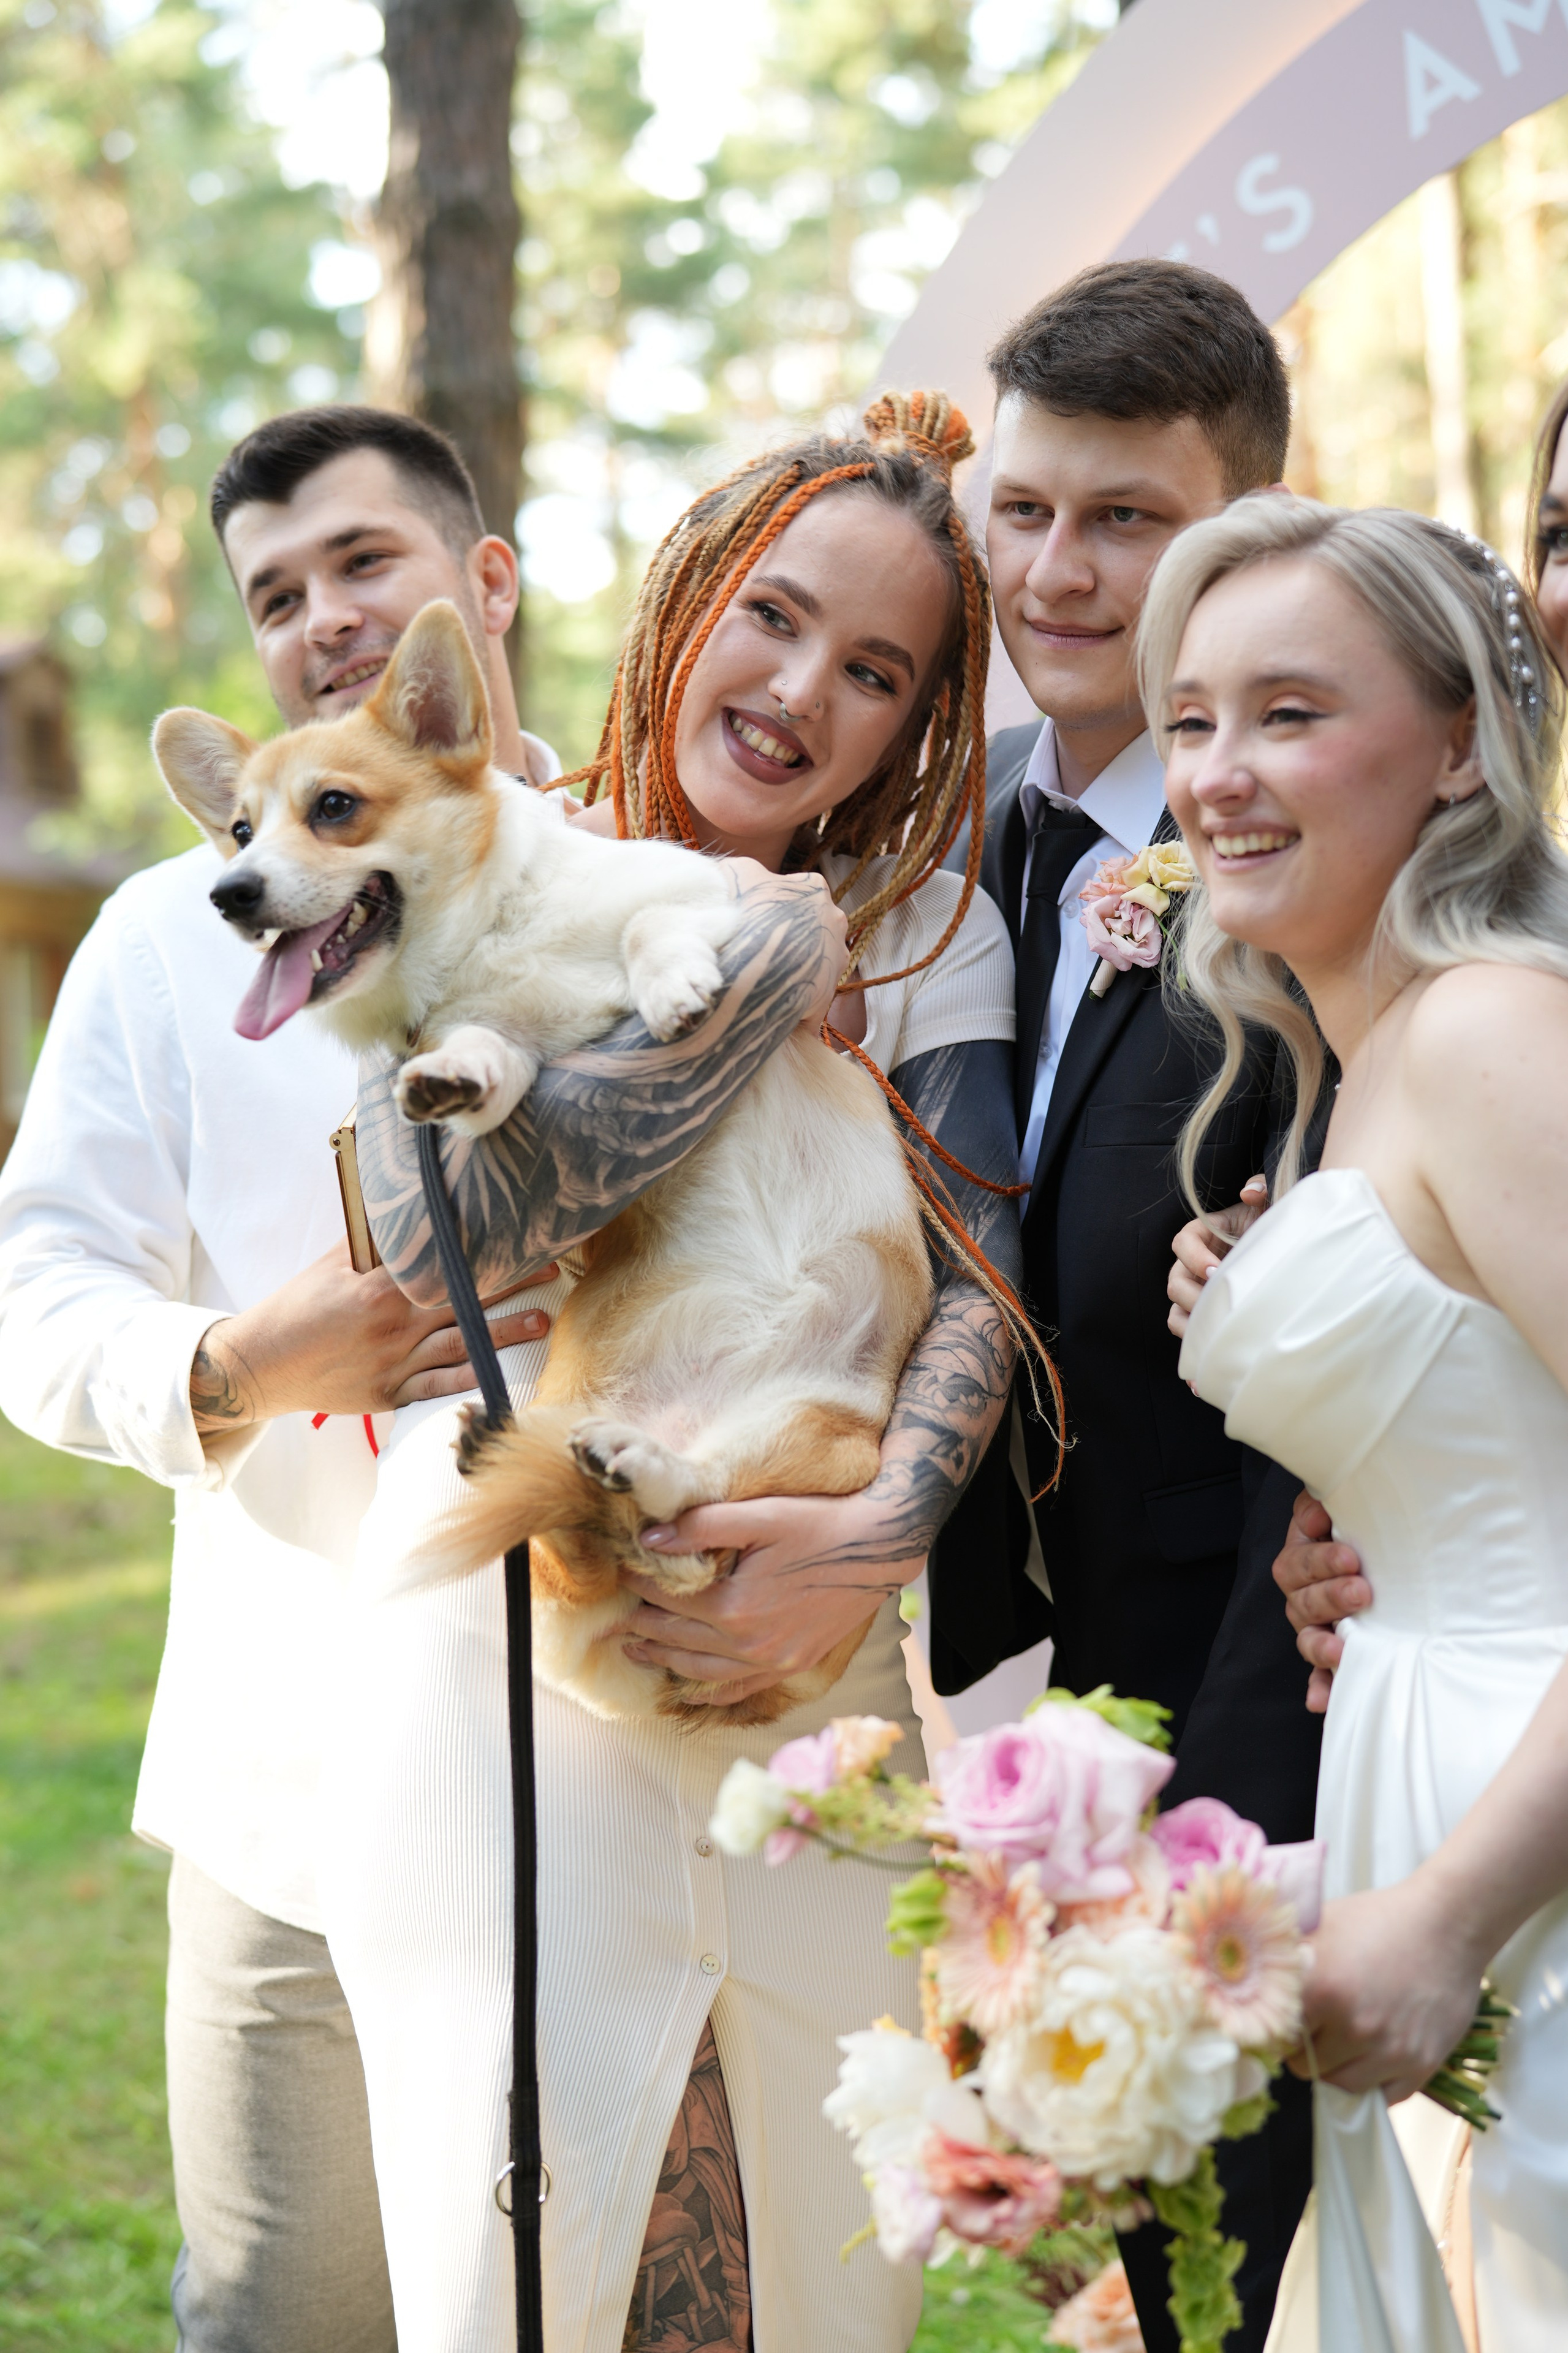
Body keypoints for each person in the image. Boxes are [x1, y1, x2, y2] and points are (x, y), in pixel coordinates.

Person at [0, 404, 839, 2353]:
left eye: (362, 562)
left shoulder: (650, 887)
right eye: (273, 594)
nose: (318, 618)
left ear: (484, 585)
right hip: (292, 1772)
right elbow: (32, 1289)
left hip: (627, 1759)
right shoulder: (167, 940)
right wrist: (238, 1362)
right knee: (291, 2309)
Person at [328, 391, 1021, 2352]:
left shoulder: (940, 934)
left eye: (875, 670)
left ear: (916, 722)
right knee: (556, 2219)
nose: (803, 692)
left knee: (809, 2236)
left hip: (812, 1634)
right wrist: (762, 974)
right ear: (688, 596)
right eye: (775, 616)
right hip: (520, 1633)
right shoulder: (480, 853)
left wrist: (880, 1529)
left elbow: (983, 1276)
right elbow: (443, 1237)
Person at [926, 259, 1322, 2352]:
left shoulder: (1303, 863)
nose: (1055, 573)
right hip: (1038, 1697)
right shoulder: (973, 827)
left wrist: (1232, 1812)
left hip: (1249, 1717)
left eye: (1125, 520)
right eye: (1024, 509)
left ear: (1245, 528)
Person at [1158, 492, 1568, 2347]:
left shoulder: (1487, 1036)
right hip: (1409, 1763)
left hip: (1515, 1813)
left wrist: (1458, 1914)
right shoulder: (1348, 1067)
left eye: (1290, 713)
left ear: (1460, 745)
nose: (1218, 774)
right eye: (1191, 719)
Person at [1258, 371, 1568, 1707]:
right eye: (1560, 537)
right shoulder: (1442, 1013)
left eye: (1284, 713)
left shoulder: (1485, 1022)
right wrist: (1410, 1526)